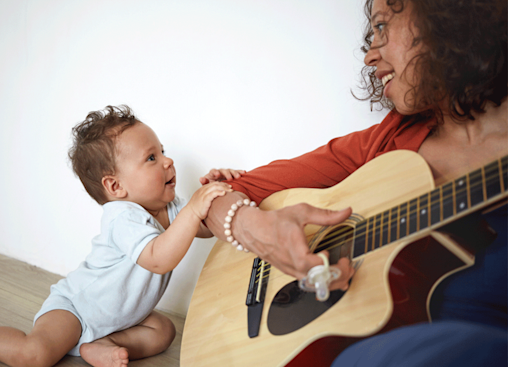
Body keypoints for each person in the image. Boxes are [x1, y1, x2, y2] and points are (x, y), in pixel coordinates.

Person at [202, 0, 507, 365]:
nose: (369, 56)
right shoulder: (385, 144)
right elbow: (212, 199)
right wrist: (258, 230)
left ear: (449, 19)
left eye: (381, 27)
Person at [0, 105, 242, 367]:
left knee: (164, 331)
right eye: (151, 158)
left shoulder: (171, 207)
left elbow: (202, 228)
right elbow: (158, 259)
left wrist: (214, 196)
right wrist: (193, 210)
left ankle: (99, 344)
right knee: (36, 354)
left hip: (120, 320)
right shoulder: (122, 216)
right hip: (76, 310)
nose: (167, 161)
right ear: (116, 187)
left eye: (162, 151)